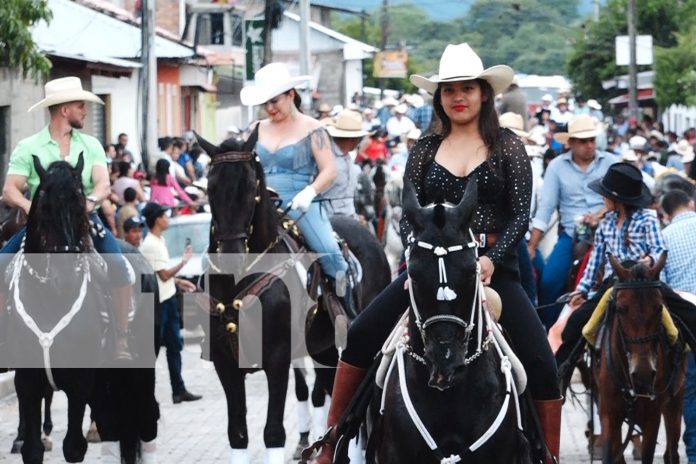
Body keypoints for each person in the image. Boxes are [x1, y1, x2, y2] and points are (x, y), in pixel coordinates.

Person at [309, 43, 562, 464]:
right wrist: (419, 258)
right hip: (430, 267)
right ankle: (332, 441)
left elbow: (521, 216)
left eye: (467, 88)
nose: (458, 97)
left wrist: (491, 258)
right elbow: (408, 216)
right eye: (448, 90)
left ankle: (549, 455)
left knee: (539, 358)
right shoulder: (425, 148)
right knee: (360, 335)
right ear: (439, 98)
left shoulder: (508, 146)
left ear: (484, 93)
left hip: (492, 269)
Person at [0, 76, 134, 360]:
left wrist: (88, 203)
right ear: (64, 110)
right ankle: (3, 338)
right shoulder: (29, 146)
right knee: (0, 264)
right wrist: (34, 210)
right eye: (80, 105)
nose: (85, 110)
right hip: (41, 227)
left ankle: (120, 338)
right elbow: (10, 190)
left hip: (86, 223)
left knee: (120, 267)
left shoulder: (91, 145)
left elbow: (102, 184)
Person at [555, 164, 696, 393]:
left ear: (616, 198)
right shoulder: (605, 224)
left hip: (647, 283)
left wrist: (648, 261)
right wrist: (581, 290)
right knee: (575, 323)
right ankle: (562, 373)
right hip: (615, 286)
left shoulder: (648, 218)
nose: (602, 198)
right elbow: (595, 261)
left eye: (605, 195)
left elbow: (659, 250)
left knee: (689, 314)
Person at [240, 62, 353, 313]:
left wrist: (310, 192)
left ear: (291, 94)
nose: (270, 109)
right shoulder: (254, 129)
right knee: (221, 246)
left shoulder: (313, 128)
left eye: (275, 101)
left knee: (330, 254)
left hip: (301, 202)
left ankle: (347, 313)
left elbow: (329, 171)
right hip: (259, 204)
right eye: (265, 103)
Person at [527, 114, 617, 328]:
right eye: (583, 141)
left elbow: (622, 199)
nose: (589, 145)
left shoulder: (610, 162)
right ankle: (550, 335)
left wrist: (601, 213)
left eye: (592, 140)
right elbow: (546, 208)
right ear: (571, 143)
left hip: (610, 232)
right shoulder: (557, 167)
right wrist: (532, 246)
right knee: (549, 282)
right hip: (572, 235)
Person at [139, 202, 202, 404]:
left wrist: (179, 281)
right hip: (158, 304)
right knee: (154, 349)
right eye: (165, 216)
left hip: (168, 298)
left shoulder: (159, 240)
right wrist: (183, 262)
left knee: (175, 345)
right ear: (157, 219)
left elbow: (162, 274)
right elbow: (164, 275)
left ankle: (179, 388)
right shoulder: (149, 244)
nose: (167, 219)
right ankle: (148, 395)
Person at [659, 190, 696, 462]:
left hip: (686, 324)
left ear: (666, 214)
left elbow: (663, 290)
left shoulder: (665, 237)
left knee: (691, 389)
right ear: (691, 205)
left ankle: (694, 453)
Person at [323, 110, 368, 219]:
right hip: (329, 217)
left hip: (348, 216)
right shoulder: (327, 159)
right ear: (352, 139)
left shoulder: (347, 158)